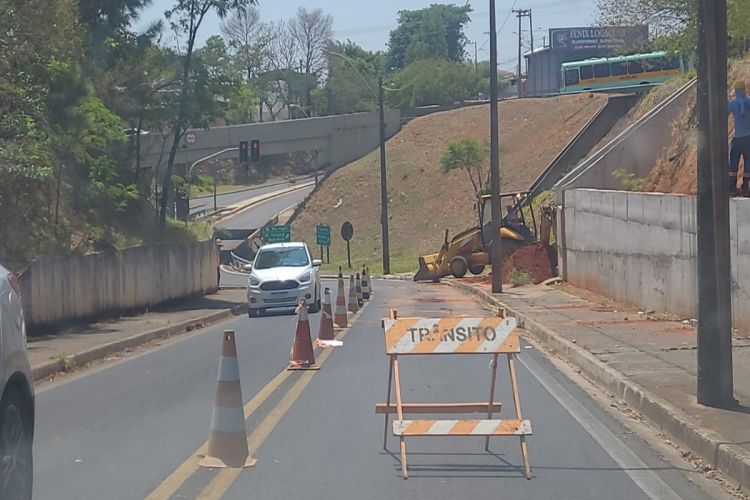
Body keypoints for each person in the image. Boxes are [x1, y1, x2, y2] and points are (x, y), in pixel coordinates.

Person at [728, 80, 750, 194]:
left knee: (733, 162)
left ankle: (732, 187)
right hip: (748, 138)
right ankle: (745, 186)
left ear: (736, 90)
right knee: (748, 162)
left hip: (737, 138)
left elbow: (724, 112)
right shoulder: (749, 101)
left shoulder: (733, 103)